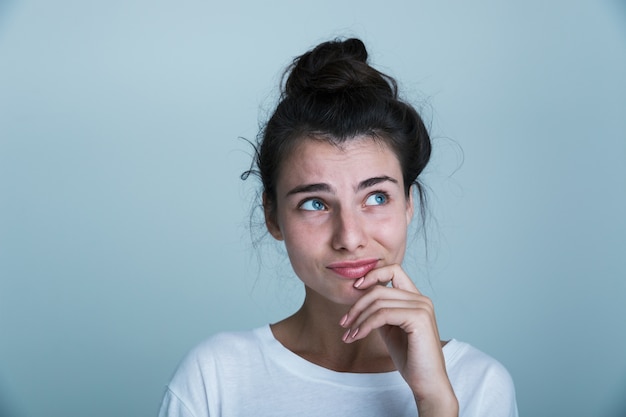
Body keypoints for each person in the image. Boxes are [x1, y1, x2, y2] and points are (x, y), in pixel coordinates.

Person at [158, 38, 518, 417]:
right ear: (273, 216)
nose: (349, 237)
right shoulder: (214, 379)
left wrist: (434, 403)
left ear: (409, 204)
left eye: (376, 198)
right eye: (315, 204)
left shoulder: (477, 384)